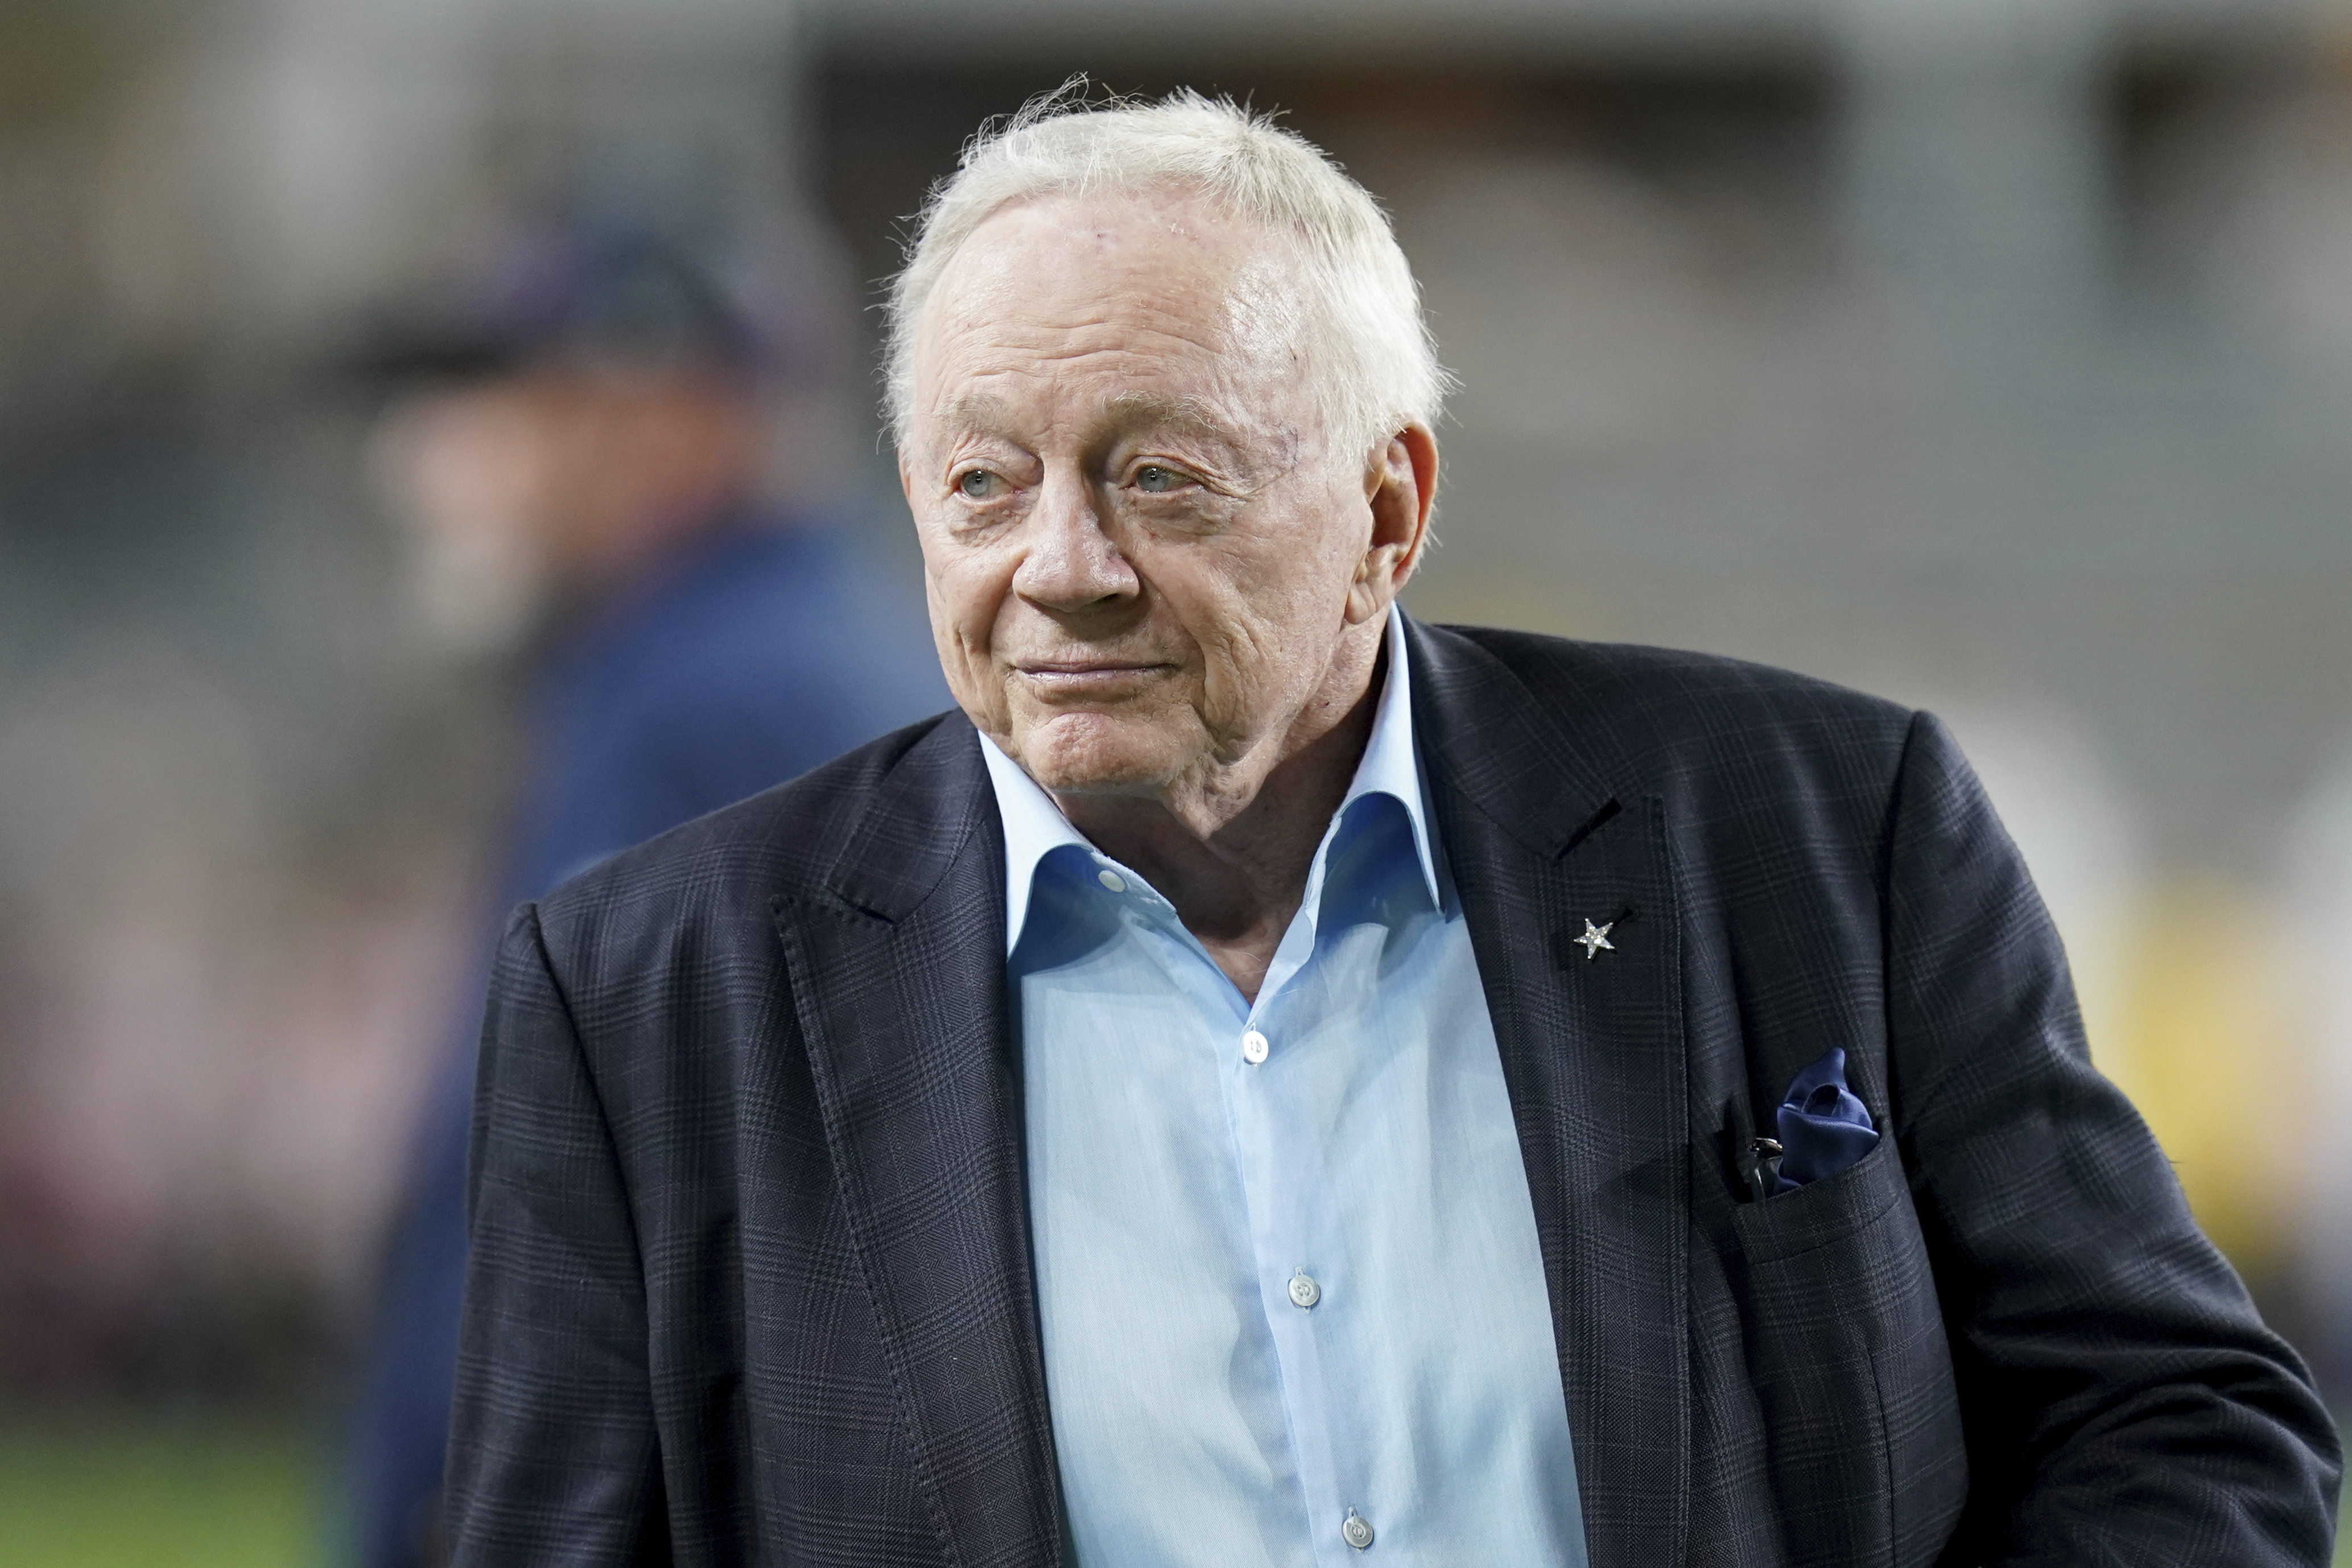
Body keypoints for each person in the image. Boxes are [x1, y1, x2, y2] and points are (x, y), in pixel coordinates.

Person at [443, 94, 2338, 1567]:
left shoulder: (1819, 830)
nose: (1062, 565)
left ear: (1386, 508)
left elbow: (2179, 1424)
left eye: (1159, 475)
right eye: (984, 482)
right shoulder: (648, 996)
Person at [342, 221, 945, 1568]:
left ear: (665, 420)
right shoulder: (698, 674)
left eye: (491, 398)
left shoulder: (730, 704)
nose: (421, 458)